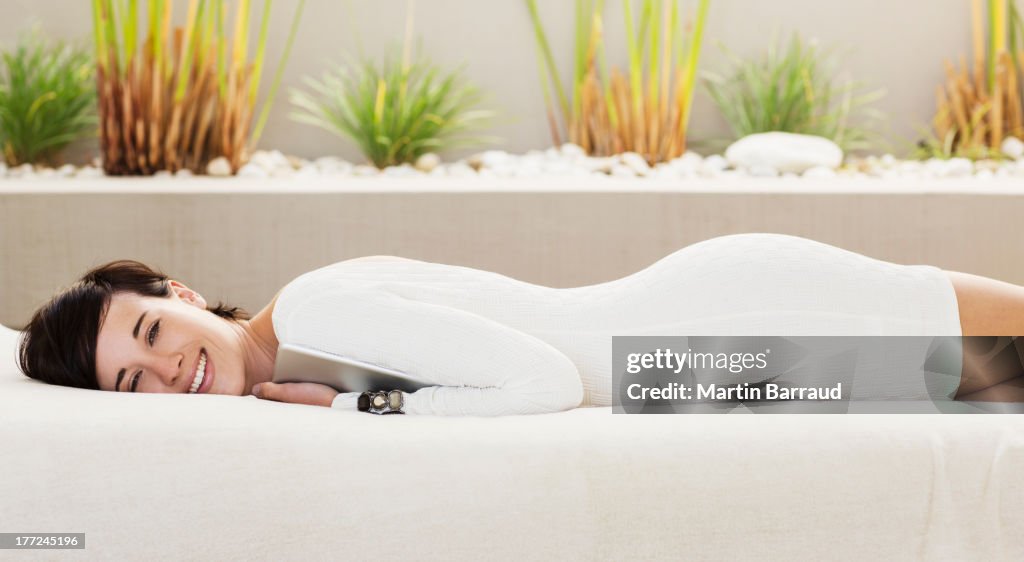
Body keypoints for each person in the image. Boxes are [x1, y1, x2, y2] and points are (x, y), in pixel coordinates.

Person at [14, 232, 1024, 415]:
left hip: (712, 327)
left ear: (181, 296)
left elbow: (544, 379)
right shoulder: (307, 325)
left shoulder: (316, 310)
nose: (167, 371)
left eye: (148, 335)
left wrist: (368, 411)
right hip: (681, 363)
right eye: (129, 383)